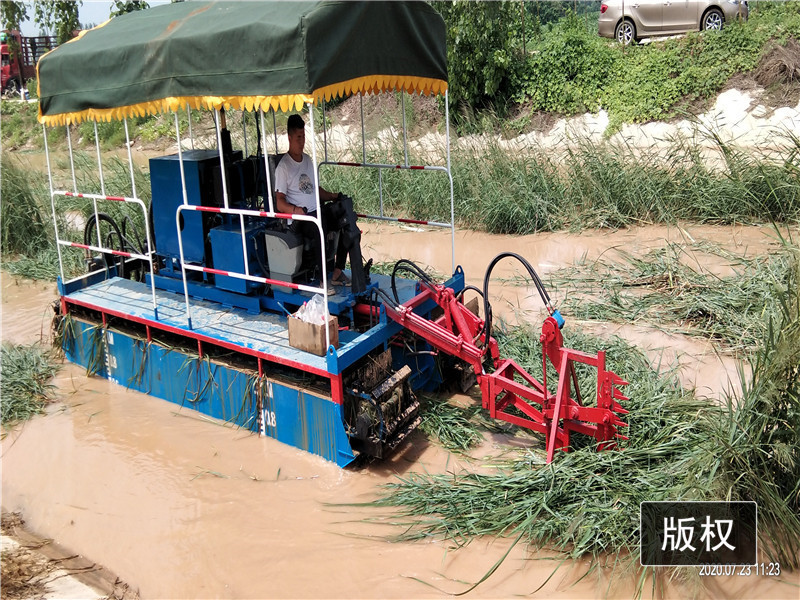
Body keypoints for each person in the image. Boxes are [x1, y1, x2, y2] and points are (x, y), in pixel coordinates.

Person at [274, 114, 350, 288]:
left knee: (346, 216)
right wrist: (296, 210)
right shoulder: (283, 167)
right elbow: (279, 202)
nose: (302, 142)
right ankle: (323, 281)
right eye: (298, 138)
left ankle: (337, 271)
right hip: (302, 218)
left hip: (317, 210)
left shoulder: (307, 160)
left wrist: (333, 196)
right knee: (319, 225)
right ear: (290, 138)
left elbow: (316, 190)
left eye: (303, 137)